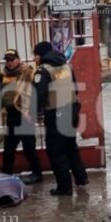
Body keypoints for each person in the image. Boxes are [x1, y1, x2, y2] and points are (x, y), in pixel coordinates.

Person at [32, 41, 88, 196]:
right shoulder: (66, 66)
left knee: (56, 151)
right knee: (70, 146)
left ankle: (64, 186)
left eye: (35, 55)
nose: (34, 59)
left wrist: (35, 114)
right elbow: (75, 87)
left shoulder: (43, 71)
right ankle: (81, 178)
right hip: (72, 110)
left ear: (41, 54)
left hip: (56, 113)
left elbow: (39, 96)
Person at [0, 49, 43, 185]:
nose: (9, 63)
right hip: (11, 115)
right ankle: (7, 172)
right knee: (9, 147)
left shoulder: (28, 73)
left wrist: (33, 112)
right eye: (7, 60)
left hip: (25, 114)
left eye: (12, 59)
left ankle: (37, 173)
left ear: (18, 59)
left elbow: (35, 94)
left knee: (29, 147)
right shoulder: (3, 75)